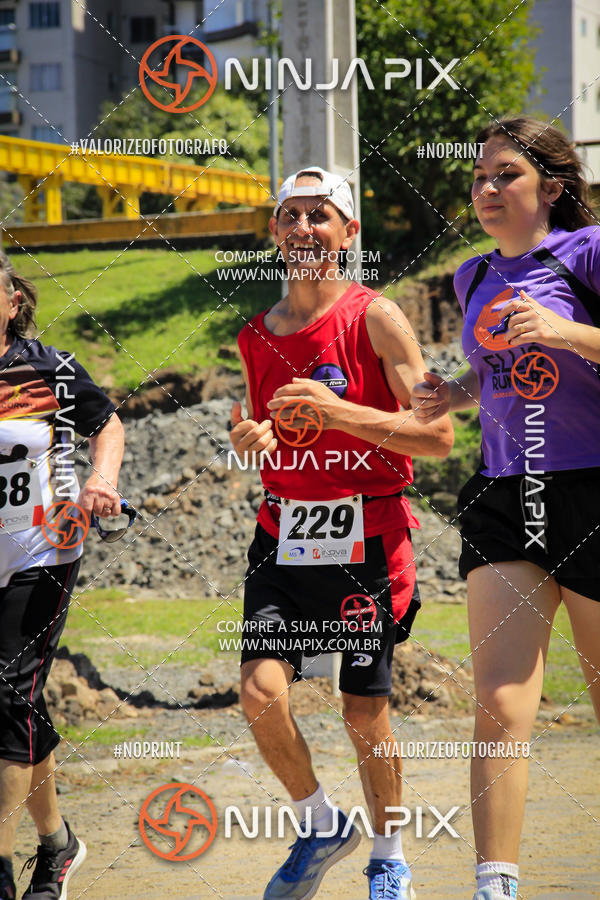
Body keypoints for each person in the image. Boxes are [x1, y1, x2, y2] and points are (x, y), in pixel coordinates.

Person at [231, 166, 453, 900]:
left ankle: (388, 859)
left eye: (318, 216)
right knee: (261, 693)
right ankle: (319, 821)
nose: (302, 229)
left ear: (348, 232)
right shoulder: (257, 335)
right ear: (274, 232)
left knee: (364, 712)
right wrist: (251, 437)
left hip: (367, 541)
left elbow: (439, 435)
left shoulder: (375, 318)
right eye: (289, 216)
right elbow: (266, 424)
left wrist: (341, 416)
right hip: (285, 535)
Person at [410, 117, 600, 900]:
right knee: (497, 702)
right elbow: (501, 376)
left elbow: (562, 344)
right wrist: (455, 393)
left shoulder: (590, 255)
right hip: (504, 493)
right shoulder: (470, 276)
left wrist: (566, 330)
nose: (486, 190)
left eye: (506, 176)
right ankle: (496, 886)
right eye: (480, 177)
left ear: (551, 188)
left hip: (591, 489)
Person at [0, 252, 124, 900]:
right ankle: (58, 846)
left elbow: (107, 424)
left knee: (7, 694)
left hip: (44, 549)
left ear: (11, 301)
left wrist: (101, 481)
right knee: (16, 704)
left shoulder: (47, 367)